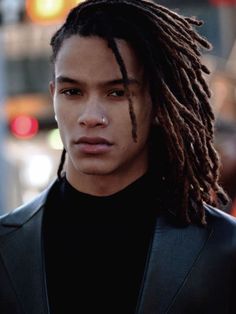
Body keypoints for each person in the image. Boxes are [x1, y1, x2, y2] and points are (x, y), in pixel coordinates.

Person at [1, 0, 236, 313]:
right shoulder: (7, 248)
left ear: (157, 103)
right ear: (53, 96)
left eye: (116, 93)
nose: (91, 116)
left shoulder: (222, 250)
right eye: (73, 92)